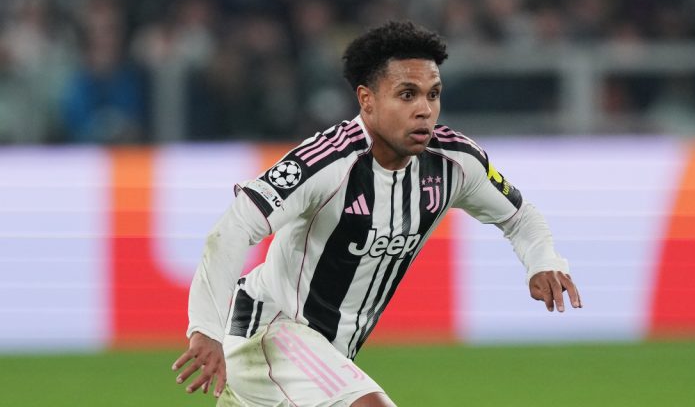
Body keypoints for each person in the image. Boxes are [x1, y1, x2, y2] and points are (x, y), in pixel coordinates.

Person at [173, 20, 582, 407]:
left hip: (329, 354)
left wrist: (542, 261)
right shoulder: (328, 161)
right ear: (367, 99)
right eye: (407, 95)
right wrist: (205, 329)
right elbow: (233, 228)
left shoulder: (455, 164)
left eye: (433, 94)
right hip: (269, 332)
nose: (424, 109)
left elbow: (519, 216)